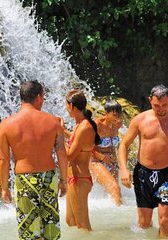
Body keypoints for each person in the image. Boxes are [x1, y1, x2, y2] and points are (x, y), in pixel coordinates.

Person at [118, 84, 168, 237]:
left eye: (164, 105)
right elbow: (124, 145)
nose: (160, 109)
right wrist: (124, 169)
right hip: (142, 175)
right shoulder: (139, 120)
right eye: (156, 105)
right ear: (149, 101)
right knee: (144, 223)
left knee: (165, 221)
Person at [0, 81, 68, 240]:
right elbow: (61, 153)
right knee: (51, 228)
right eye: (43, 97)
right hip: (48, 178)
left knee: (28, 232)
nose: (43, 100)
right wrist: (64, 181)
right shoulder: (53, 122)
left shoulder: (7, 124)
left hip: (25, 180)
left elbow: (3, 159)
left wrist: (4, 188)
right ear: (37, 97)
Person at [62, 89, 101, 231]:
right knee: (71, 221)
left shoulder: (85, 127)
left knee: (83, 226)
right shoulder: (79, 125)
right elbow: (75, 141)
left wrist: (59, 139)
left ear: (71, 106)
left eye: (66, 106)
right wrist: (63, 131)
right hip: (74, 177)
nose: (66, 109)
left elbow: (69, 155)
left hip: (80, 178)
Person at [90, 99, 123, 206]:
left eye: (118, 115)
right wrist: (102, 157)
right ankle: (121, 217)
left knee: (113, 194)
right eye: (114, 115)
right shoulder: (96, 125)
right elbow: (85, 147)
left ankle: (111, 215)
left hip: (111, 162)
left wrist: (114, 158)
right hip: (95, 162)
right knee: (115, 189)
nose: (117, 118)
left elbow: (113, 146)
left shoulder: (118, 124)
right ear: (106, 113)